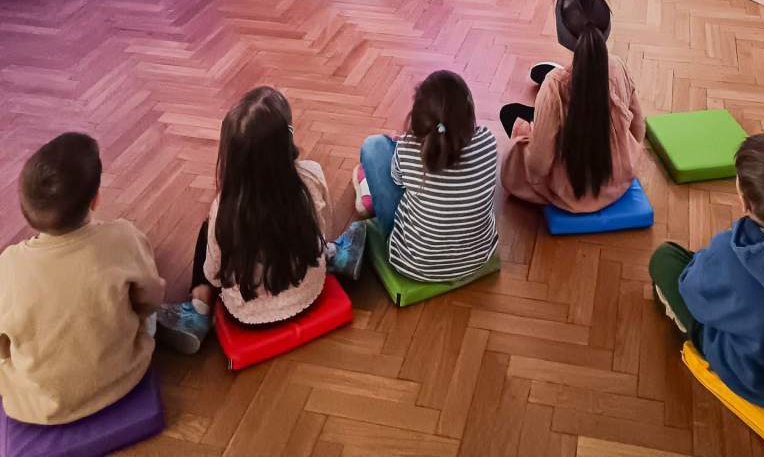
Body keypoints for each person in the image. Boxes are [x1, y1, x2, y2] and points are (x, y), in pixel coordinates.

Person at [157, 86, 364, 354]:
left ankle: (199, 309)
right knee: (313, 236)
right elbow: (323, 228)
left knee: (208, 230)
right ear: (286, 140)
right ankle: (337, 256)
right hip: (309, 294)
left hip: (247, 314)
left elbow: (215, 274)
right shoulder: (311, 176)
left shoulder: (225, 207)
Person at [648, 133, 764, 408]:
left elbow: (691, 293)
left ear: (746, 202)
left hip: (754, 379)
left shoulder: (726, 251)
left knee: (664, 258)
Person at [0, 132, 164, 424]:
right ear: (96, 199)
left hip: (39, 406)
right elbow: (151, 299)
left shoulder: (8, 266)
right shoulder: (123, 237)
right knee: (148, 312)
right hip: (124, 376)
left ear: (25, 209)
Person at [499, 0, 645, 211]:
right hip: (619, 178)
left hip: (571, 191)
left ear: (563, 33)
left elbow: (538, 165)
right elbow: (638, 128)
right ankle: (556, 91)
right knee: (556, 100)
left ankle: (546, 107)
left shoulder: (555, 86)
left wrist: (527, 133)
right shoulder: (619, 67)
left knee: (510, 114)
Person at [352, 70, 498, 282]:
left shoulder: (407, 149)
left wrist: (405, 146)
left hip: (412, 263)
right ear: (469, 113)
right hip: (478, 257)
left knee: (373, 146)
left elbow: (396, 181)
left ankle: (366, 193)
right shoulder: (488, 141)